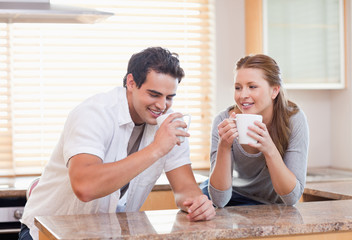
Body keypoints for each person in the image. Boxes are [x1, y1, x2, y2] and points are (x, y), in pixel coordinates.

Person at [19, 47, 216, 240]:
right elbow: (85, 187)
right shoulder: (93, 113)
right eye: (154, 95)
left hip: (104, 234)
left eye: (169, 97)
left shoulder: (167, 125)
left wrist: (198, 203)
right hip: (46, 232)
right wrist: (156, 148)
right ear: (131, 82)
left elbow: (185, 189)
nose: (162, 106)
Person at [200, 54, 309, 207]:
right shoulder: (223, 121)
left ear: (274, 91)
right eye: (238, 87)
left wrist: (270, 149)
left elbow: (291, 198)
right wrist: (224, 146)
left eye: (252, 87)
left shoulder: (293, 120)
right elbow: (219, 200)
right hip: (229, 197)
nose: (243, 95)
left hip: (267, 204)